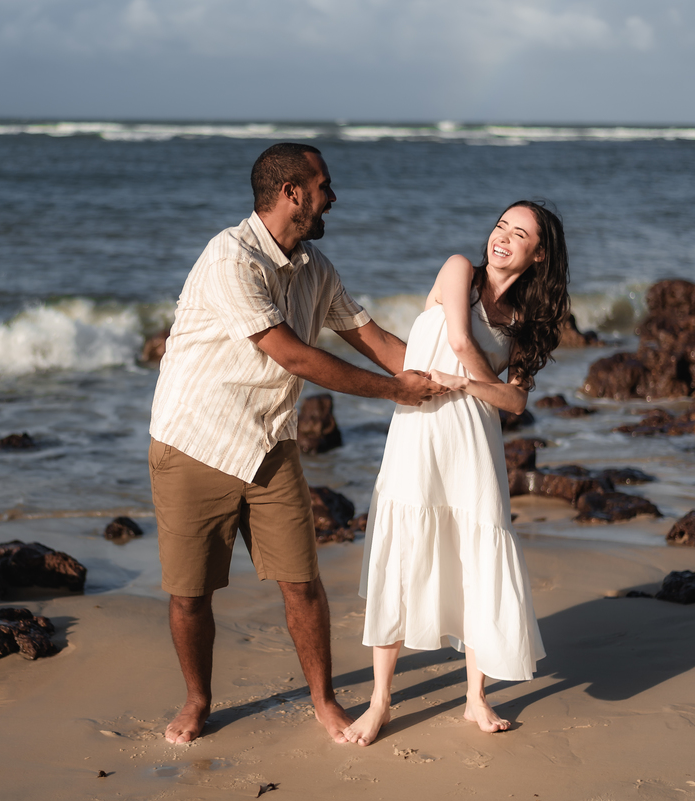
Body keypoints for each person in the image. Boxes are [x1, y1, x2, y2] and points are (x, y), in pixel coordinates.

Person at [148, 143, 441, 744]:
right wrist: (394, 393)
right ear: (292, 194)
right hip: (195, 440)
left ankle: (324, 701)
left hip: (269, 443)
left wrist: (447, 380)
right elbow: (294, 355)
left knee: (302, 584)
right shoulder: (230, 257)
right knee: (190, 593)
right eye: (325, 186)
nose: (333, 196)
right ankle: (197, 701)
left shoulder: (317, 268)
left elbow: (374, 337)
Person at [343, 200, 571, 746]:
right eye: (500, 226)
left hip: (474, 445)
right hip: (418, 436)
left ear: (538, 256)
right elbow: (465, 341)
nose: (502, 238)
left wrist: (470, 386)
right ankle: (379, 703)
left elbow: (514, 404)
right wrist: (488, 381)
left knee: (476, 562)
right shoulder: (457, 271)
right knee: (401, 556)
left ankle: (475, 698)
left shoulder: (524, 324)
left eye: (520, 235)